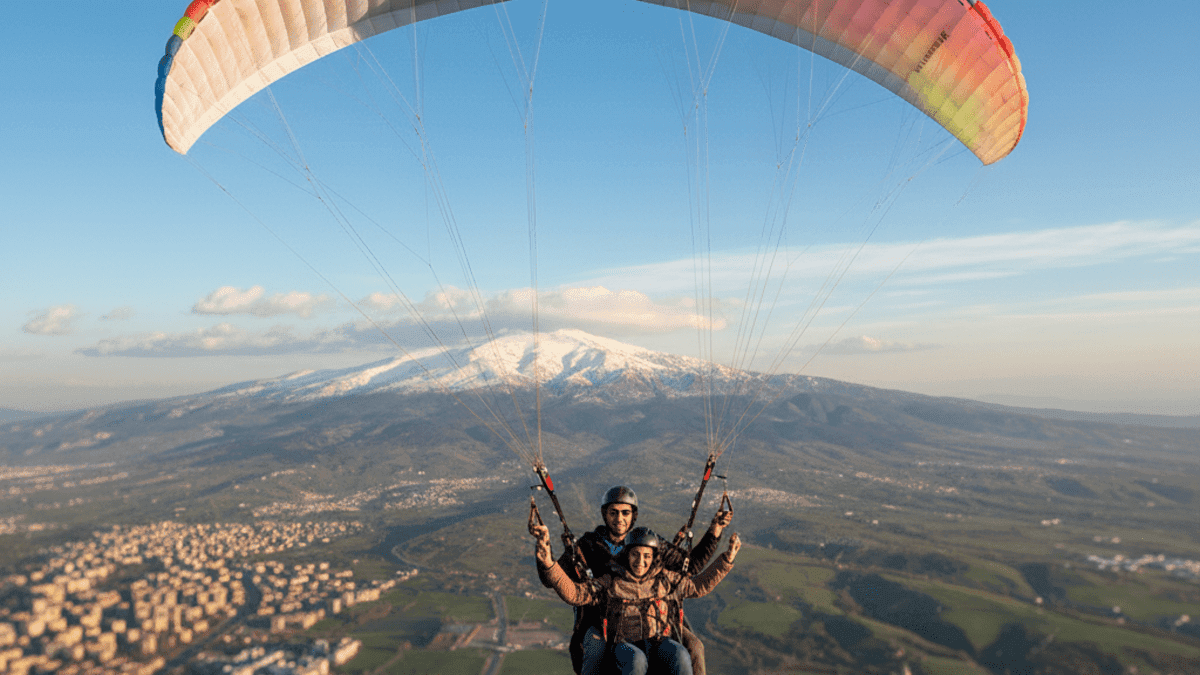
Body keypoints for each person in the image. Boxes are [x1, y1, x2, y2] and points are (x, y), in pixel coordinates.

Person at [533, 486, 732, 675]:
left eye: (625, 513)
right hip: (602, 616)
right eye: (614, 512)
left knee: (694, 648)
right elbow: (552, 580)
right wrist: (545, 557)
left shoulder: (650, 542)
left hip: (653, 614)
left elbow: (691, 567)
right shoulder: (587, 546)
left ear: (633, 515)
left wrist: (715, 531)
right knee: (596, 652)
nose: (619, 519)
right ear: (605, 514)